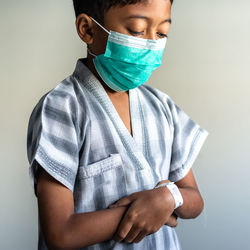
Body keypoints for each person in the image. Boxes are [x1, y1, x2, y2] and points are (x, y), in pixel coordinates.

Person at [26, 0, 209, 249]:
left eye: (162, 33)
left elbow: (194, 200)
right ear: (87, 30)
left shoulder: (163, 108)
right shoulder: (62, 109)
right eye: (136, 30)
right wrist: (149, 211)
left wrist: (167, 198)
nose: (151, 44)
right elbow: (60, 234)